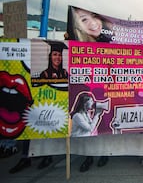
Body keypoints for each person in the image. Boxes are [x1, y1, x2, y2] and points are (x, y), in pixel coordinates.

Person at [9, 41, 68, 173]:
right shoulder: (43, 74)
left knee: (49, 132)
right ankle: (26, 157)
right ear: (50, 56)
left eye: (59, 55)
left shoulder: (65, 73)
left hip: (56, 107)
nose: (57, 57)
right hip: (40, 106)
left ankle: (47, 156)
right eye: (54, 54)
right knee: (31, 129)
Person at [70, 92, 108, 172]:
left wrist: (95, 115)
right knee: (98, 141)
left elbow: (91, 125)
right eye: (91, 101)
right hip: (80, 138)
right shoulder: (77, 116)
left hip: (86, 136)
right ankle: (92, 159)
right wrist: (97, 115)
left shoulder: (85, 113)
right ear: (85, 104)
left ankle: (93, 158)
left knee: (102, 138)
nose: (93, 103)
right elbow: (90, 128)